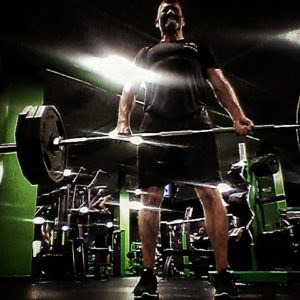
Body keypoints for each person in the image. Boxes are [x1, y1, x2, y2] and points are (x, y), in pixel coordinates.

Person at [111, 0, 253, 298]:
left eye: (174, 9)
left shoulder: (198, 48)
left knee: (210, 193)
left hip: (195, 123)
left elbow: (219, 83)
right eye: (164, 10)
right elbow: (130, 88)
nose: (169, 12)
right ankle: (148, 276)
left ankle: (223, 274)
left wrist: (237, 117)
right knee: (150, 196)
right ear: (157, 21)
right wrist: (123, 122)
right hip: (155, 126)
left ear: (182, 19)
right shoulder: (146, 52)